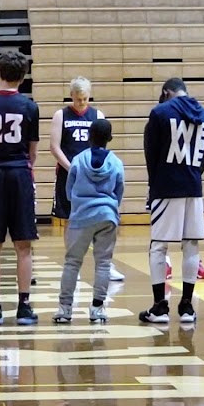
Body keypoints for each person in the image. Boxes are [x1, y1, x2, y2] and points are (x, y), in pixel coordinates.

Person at [0, 50, 39, 326]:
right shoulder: (29, 106)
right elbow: (33, 151)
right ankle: (24, 306)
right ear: (23, 78)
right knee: (24, 245)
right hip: (20, 173)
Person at [139, 78, 204, 326]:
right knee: (191, 245)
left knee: (158, 246)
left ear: (166, 92)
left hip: (166, 185)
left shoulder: (159, 112)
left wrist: (154, 185)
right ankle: (187, 307)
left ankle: (159, 307)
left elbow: (151, 153)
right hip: (193, 185)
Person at [50, 75, 124, 282]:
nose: (81, 103)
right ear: (71, 95)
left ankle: (106, 265)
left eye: (85, 99)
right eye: (78, 99)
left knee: (102, 218)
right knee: (70, 220)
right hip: (69, 175)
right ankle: (73, 264)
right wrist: (73, 167)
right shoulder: (61, 115)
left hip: (94, 176)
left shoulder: (97, 115)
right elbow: (55, 147)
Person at [53, 119, 124, 325]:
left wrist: (77, 205)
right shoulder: (116, 162)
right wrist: (109, 208)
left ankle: (65, 309)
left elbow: (69, 189)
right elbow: (119, 191)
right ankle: (97, 309)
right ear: (109, 139)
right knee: (103, 263)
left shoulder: (78, 159)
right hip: (107, 216)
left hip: (81, 216)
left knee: (72, 262)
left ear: (89, 137)